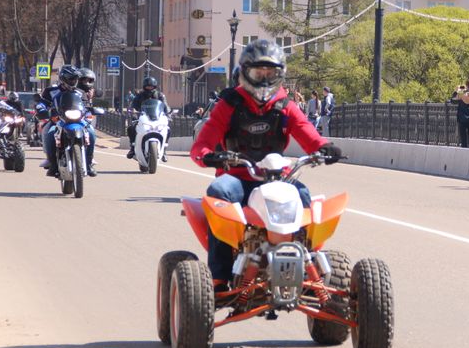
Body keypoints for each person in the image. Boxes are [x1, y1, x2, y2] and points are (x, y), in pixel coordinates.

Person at [190, 39, 342, 289]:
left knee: (304, 195)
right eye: (257, 73)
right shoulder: (229, 103)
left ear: (279, 75)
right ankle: (218, 275)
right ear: (245, 73)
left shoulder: (285, 105)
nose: (263, 79)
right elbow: (203, 141)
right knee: (218, 192)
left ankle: (307, 267)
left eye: (269, 73)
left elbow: (306, 131)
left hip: (278, 178)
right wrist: (208, 155)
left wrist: (323, 148)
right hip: (240, 177)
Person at [37, 65, 81, 177]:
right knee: (49, 132)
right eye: (71, 79)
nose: (73, 81)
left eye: (75, 79)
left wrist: (91, 110)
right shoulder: (51, 91)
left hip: (77, 120)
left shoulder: (80, 92)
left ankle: (89, 162)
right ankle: (53, 163)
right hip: (58, 120)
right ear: (63, 78)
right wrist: (41, 108)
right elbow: (43, 102)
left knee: (90, 132)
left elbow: (85, 105)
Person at [126, 76, 170, 161]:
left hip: (157, 118)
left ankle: (164, 150)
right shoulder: (139, 96)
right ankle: (132, 147)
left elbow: (166, 106)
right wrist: (133, 112)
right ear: (144, 87)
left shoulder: (160, 95)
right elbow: (133, 106)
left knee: (167, 129)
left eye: (151, 86)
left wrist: (168, 114)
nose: (149, 88)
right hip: (143, 118)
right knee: (131, 128)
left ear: (155, 87)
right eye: (147, 86)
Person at [77, 68, 98, 175]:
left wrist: (90, 98)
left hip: (83, 120)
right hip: (68, 119)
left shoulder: (90, 92)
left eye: (89, 80)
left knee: (91, 134)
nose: (86, 83)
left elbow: (100, 93)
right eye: (84, 80)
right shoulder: (72, 90)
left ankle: (89, 163)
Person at [451, 79, 469, 148]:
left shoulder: (462, 95)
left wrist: (456, 91)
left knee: (463, 138)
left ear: (466, 85)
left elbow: (452, 101)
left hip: (462, 119)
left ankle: (464, 152)